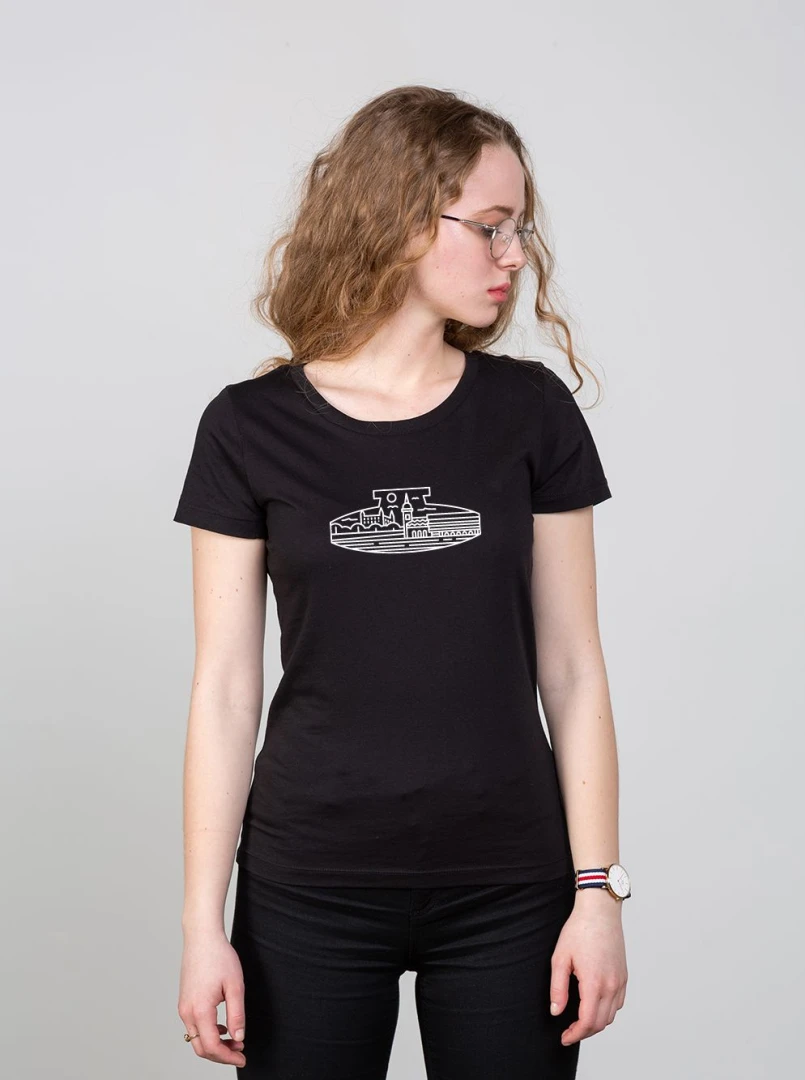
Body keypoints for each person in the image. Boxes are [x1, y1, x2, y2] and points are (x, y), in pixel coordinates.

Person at [173, 84, 629, 1079]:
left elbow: (574, 670)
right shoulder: (248, 428)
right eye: (492, 226)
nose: (516, 255)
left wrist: (597, 892)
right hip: (308, 884)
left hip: (513, 885)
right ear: (404, 220)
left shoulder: (532, 413)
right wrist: (203, 926)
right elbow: (225, 692)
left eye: (522, 229)